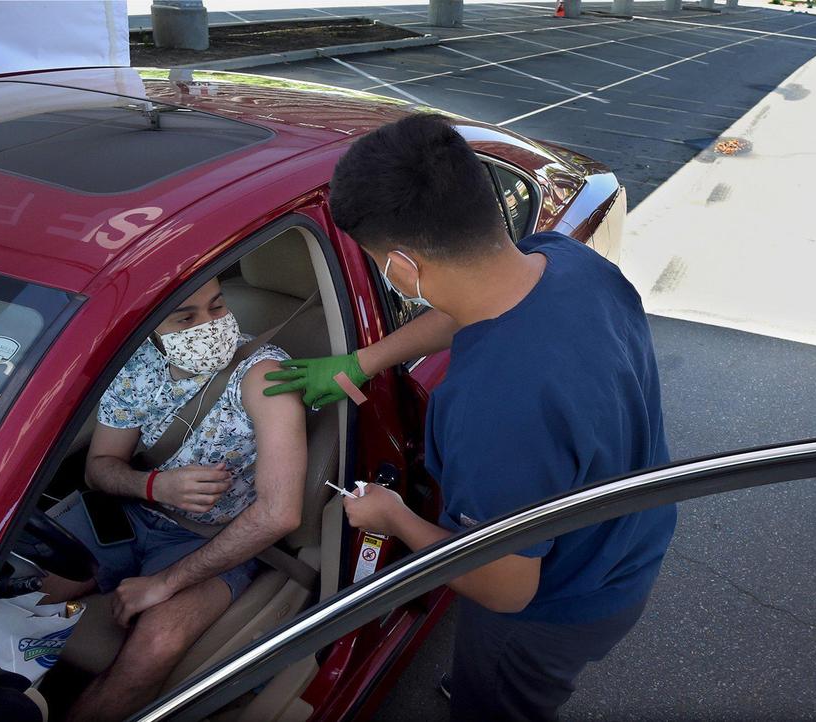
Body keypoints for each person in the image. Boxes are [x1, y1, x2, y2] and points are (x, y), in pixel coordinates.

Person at [264, 114, 677, 721]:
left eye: (379, 261)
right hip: (627, 539)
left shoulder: (497, 407)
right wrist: (361, 360)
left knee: (499, 704)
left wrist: (394, 516)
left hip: (555, 608)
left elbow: (505, 589)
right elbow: (468, 308)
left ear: (401, 270)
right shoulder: (565, 264)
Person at [43, 277, 308, 722]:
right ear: (150, 328)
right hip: (128, 515)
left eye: (218, 306)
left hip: (214, 539)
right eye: (185, 317)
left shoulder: (263, 376)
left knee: (154, 648)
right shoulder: (136, 368)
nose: (209, 325)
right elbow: (101, 466)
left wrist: (166, 583)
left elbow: (279, 514)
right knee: (14, 593)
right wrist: (154, 485)